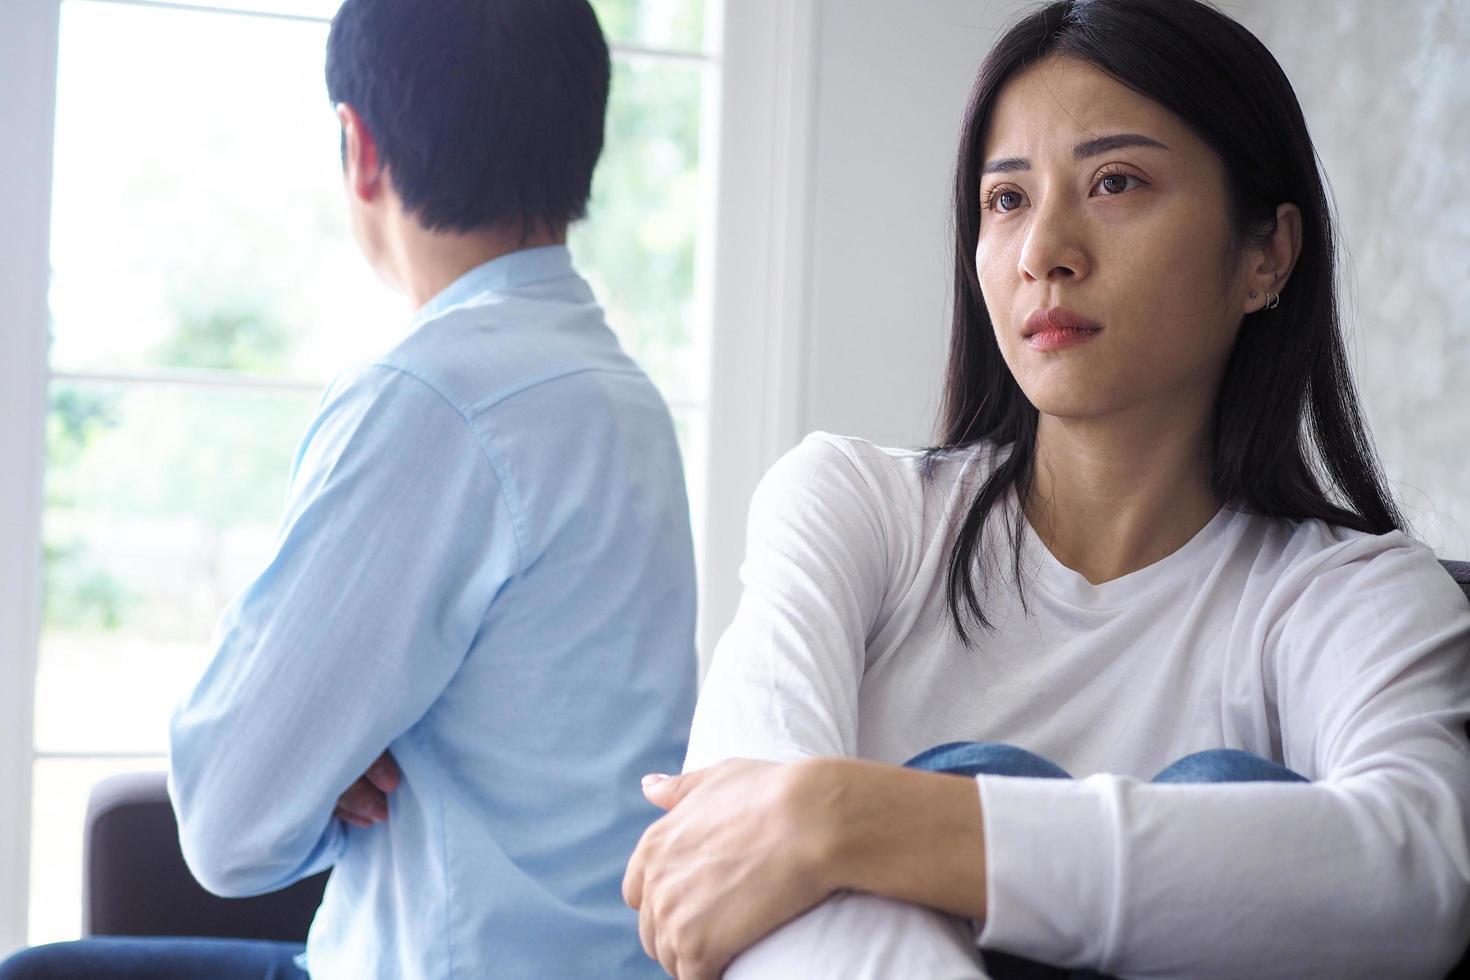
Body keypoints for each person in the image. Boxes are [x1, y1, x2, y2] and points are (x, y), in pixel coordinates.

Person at [621, 0, 1470, 977]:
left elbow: (1414, 880)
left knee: (1226, 788)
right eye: (1007, 199)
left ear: (1266, 254)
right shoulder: (853, 509)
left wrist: (850, 813)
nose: (1043, 252)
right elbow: (728, 878)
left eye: (1115, 181)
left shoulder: (1356, 596)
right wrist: (856, 827)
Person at [1, 1, 696, 978]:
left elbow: (227, 822)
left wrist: (318, 757)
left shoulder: (431, 397)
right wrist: (328, 752)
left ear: (358, 146)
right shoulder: (628, 401)